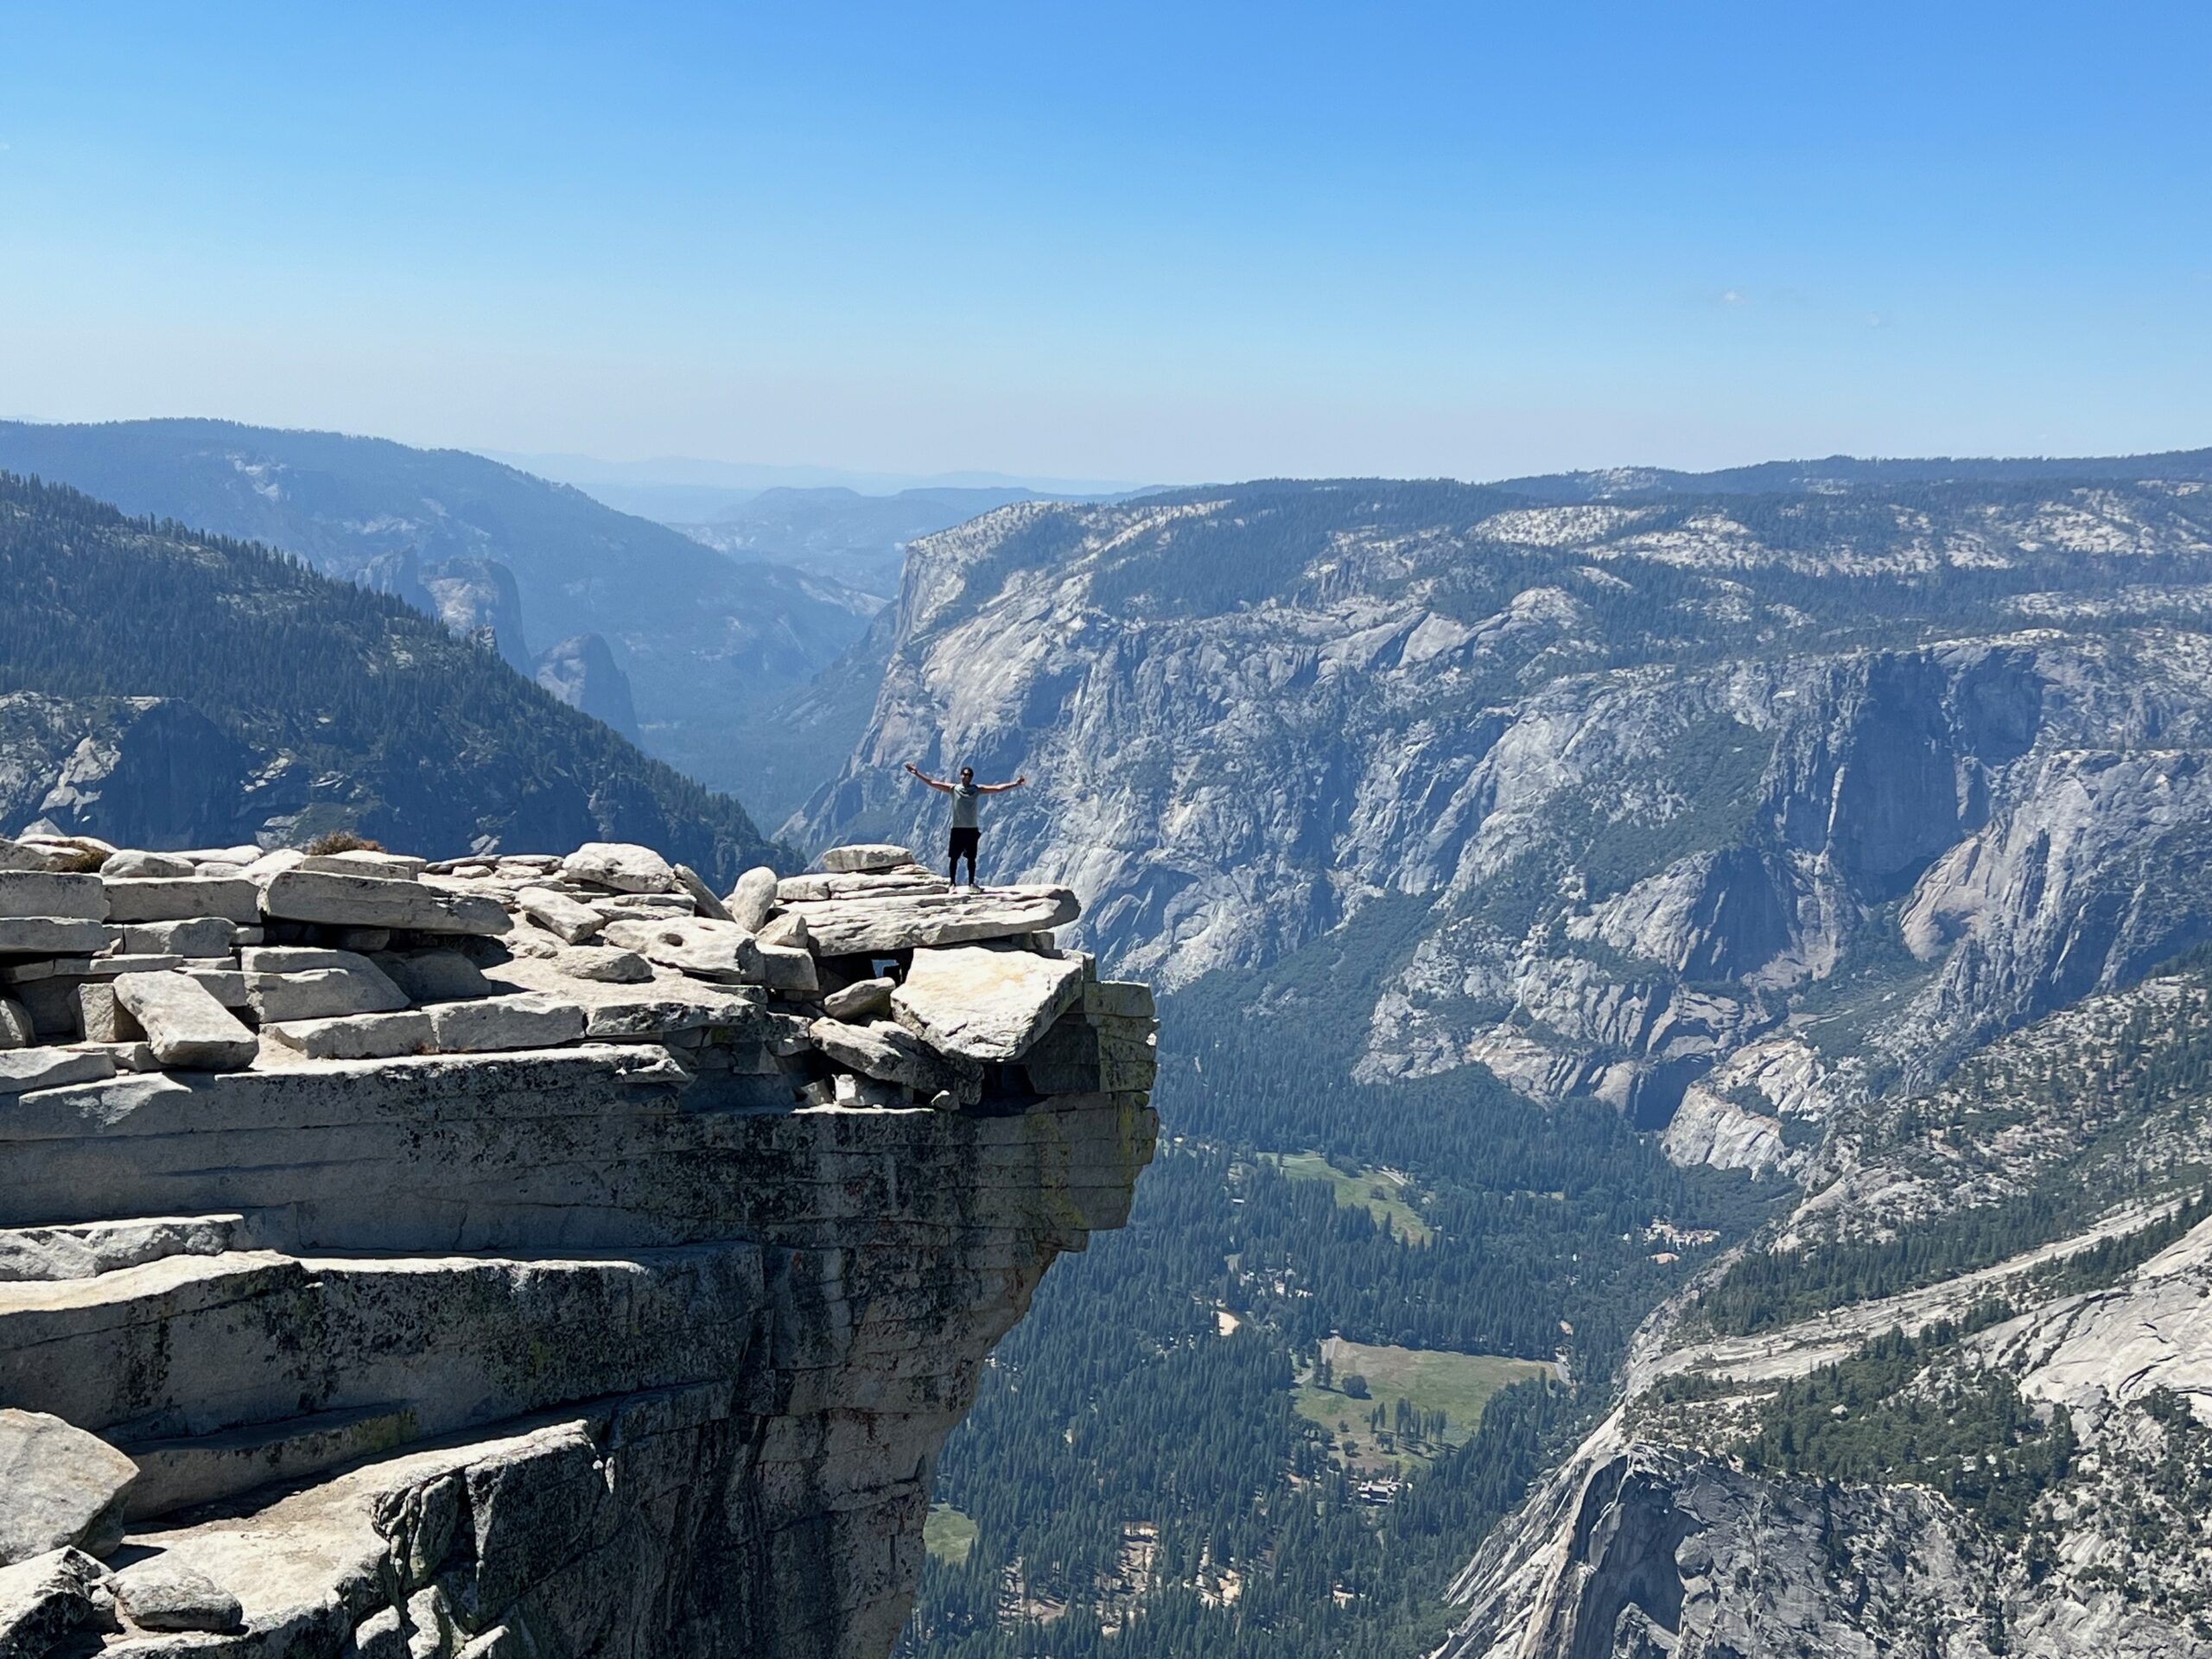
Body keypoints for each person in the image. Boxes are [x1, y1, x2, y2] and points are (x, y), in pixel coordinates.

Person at [904, 762, 1027, 886]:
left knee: (971, 859)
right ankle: (952, 883)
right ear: (961, 776)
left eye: (968, 775)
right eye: (964, 774)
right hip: (958, 829)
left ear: (971, 777)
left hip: (971, 829)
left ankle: (971, 884)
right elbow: (933, 783)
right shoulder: (953, 789)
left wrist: (1015, 784)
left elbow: (997, 788)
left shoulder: (977, 789)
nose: (966, 777)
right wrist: (917, 773)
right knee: (954, 858)